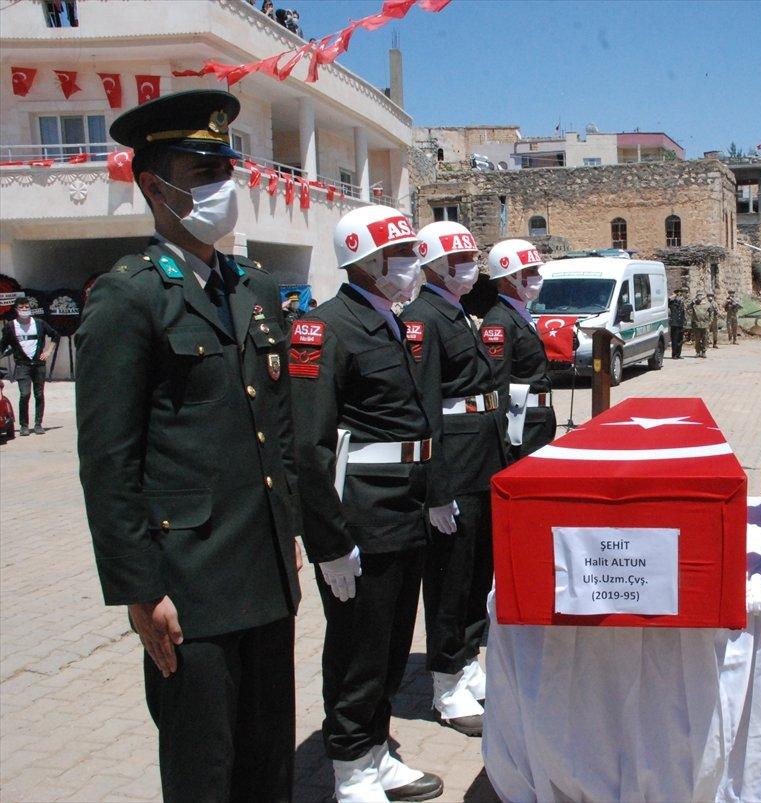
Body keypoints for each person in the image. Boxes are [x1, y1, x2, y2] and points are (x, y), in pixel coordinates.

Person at [75, 90, 302, 802]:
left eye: (225, 173)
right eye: (201, 176)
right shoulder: (130, 297)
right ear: (153, 186)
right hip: (191, 587)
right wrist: (142, 589)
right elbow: (108, 461)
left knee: (269, 764)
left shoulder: (253, 290)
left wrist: (288, 532)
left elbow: (280, 431)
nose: (221, 191)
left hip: (264, 575)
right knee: (206, 771)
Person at [290, 206, 444, 802]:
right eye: (401, 254)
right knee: (358, 648)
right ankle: (350, 768)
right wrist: (328, 543)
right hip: (362, 519)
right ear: (366, 261)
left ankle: (376, 752)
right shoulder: (326, 328)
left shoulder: (390, 322)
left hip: (404, 511)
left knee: (391, 642)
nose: (412, 264)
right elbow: (308, 445)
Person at [400, 220, 506, 737]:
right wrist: (435, 488)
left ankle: (465, 663)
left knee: (475, 573)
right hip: (454, 468)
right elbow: (424, 408)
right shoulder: (422, 317)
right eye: (460, 260)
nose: (470, 267)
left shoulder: (458, 312)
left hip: (481, 461)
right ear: (436, 266)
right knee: (449, 579)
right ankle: (445, 682)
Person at [483, 239, 556, 460]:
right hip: (520, 423)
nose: (537, 276)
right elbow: (498, 382)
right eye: (530, 270)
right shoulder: (499, 321)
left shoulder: (520, 313)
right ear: (509, 277)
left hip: (535, 420)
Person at [1, 297, 57, 435]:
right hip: (22, 365)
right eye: (21, 308)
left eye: (27, 308)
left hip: (38, 364)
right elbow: (2, 345)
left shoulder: (39, 323)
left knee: (39, 394)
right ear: (16, 310)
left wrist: (48, 351)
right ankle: (24, 425)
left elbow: (55, 335)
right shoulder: (10, 326)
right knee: (25, 394)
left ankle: (38, 424)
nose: (24, 310)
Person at [688, 292, 714, 358]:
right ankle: (697, 352)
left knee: (705, 339)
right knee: (697, 339)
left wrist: (710, 321)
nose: (699, 297)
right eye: (698, 296)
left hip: (705, 324)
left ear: (703, 297)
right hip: (696, 324)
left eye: (700, 296)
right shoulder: (694, 304)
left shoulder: (707, 304)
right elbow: (688, 308)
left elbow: (711, 312)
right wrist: (692, 302)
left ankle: (704, 352)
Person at [667, 288, 686, 358]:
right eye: (678, 294)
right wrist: (671, 297)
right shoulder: (672, 303)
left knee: (680, 340)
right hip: (674, 324)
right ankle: (674, 354)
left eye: (680, 295)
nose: (679, 296)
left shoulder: (682, 303)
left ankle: (678, 354)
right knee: (674, 340)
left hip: (680, 323)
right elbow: (666, 302)